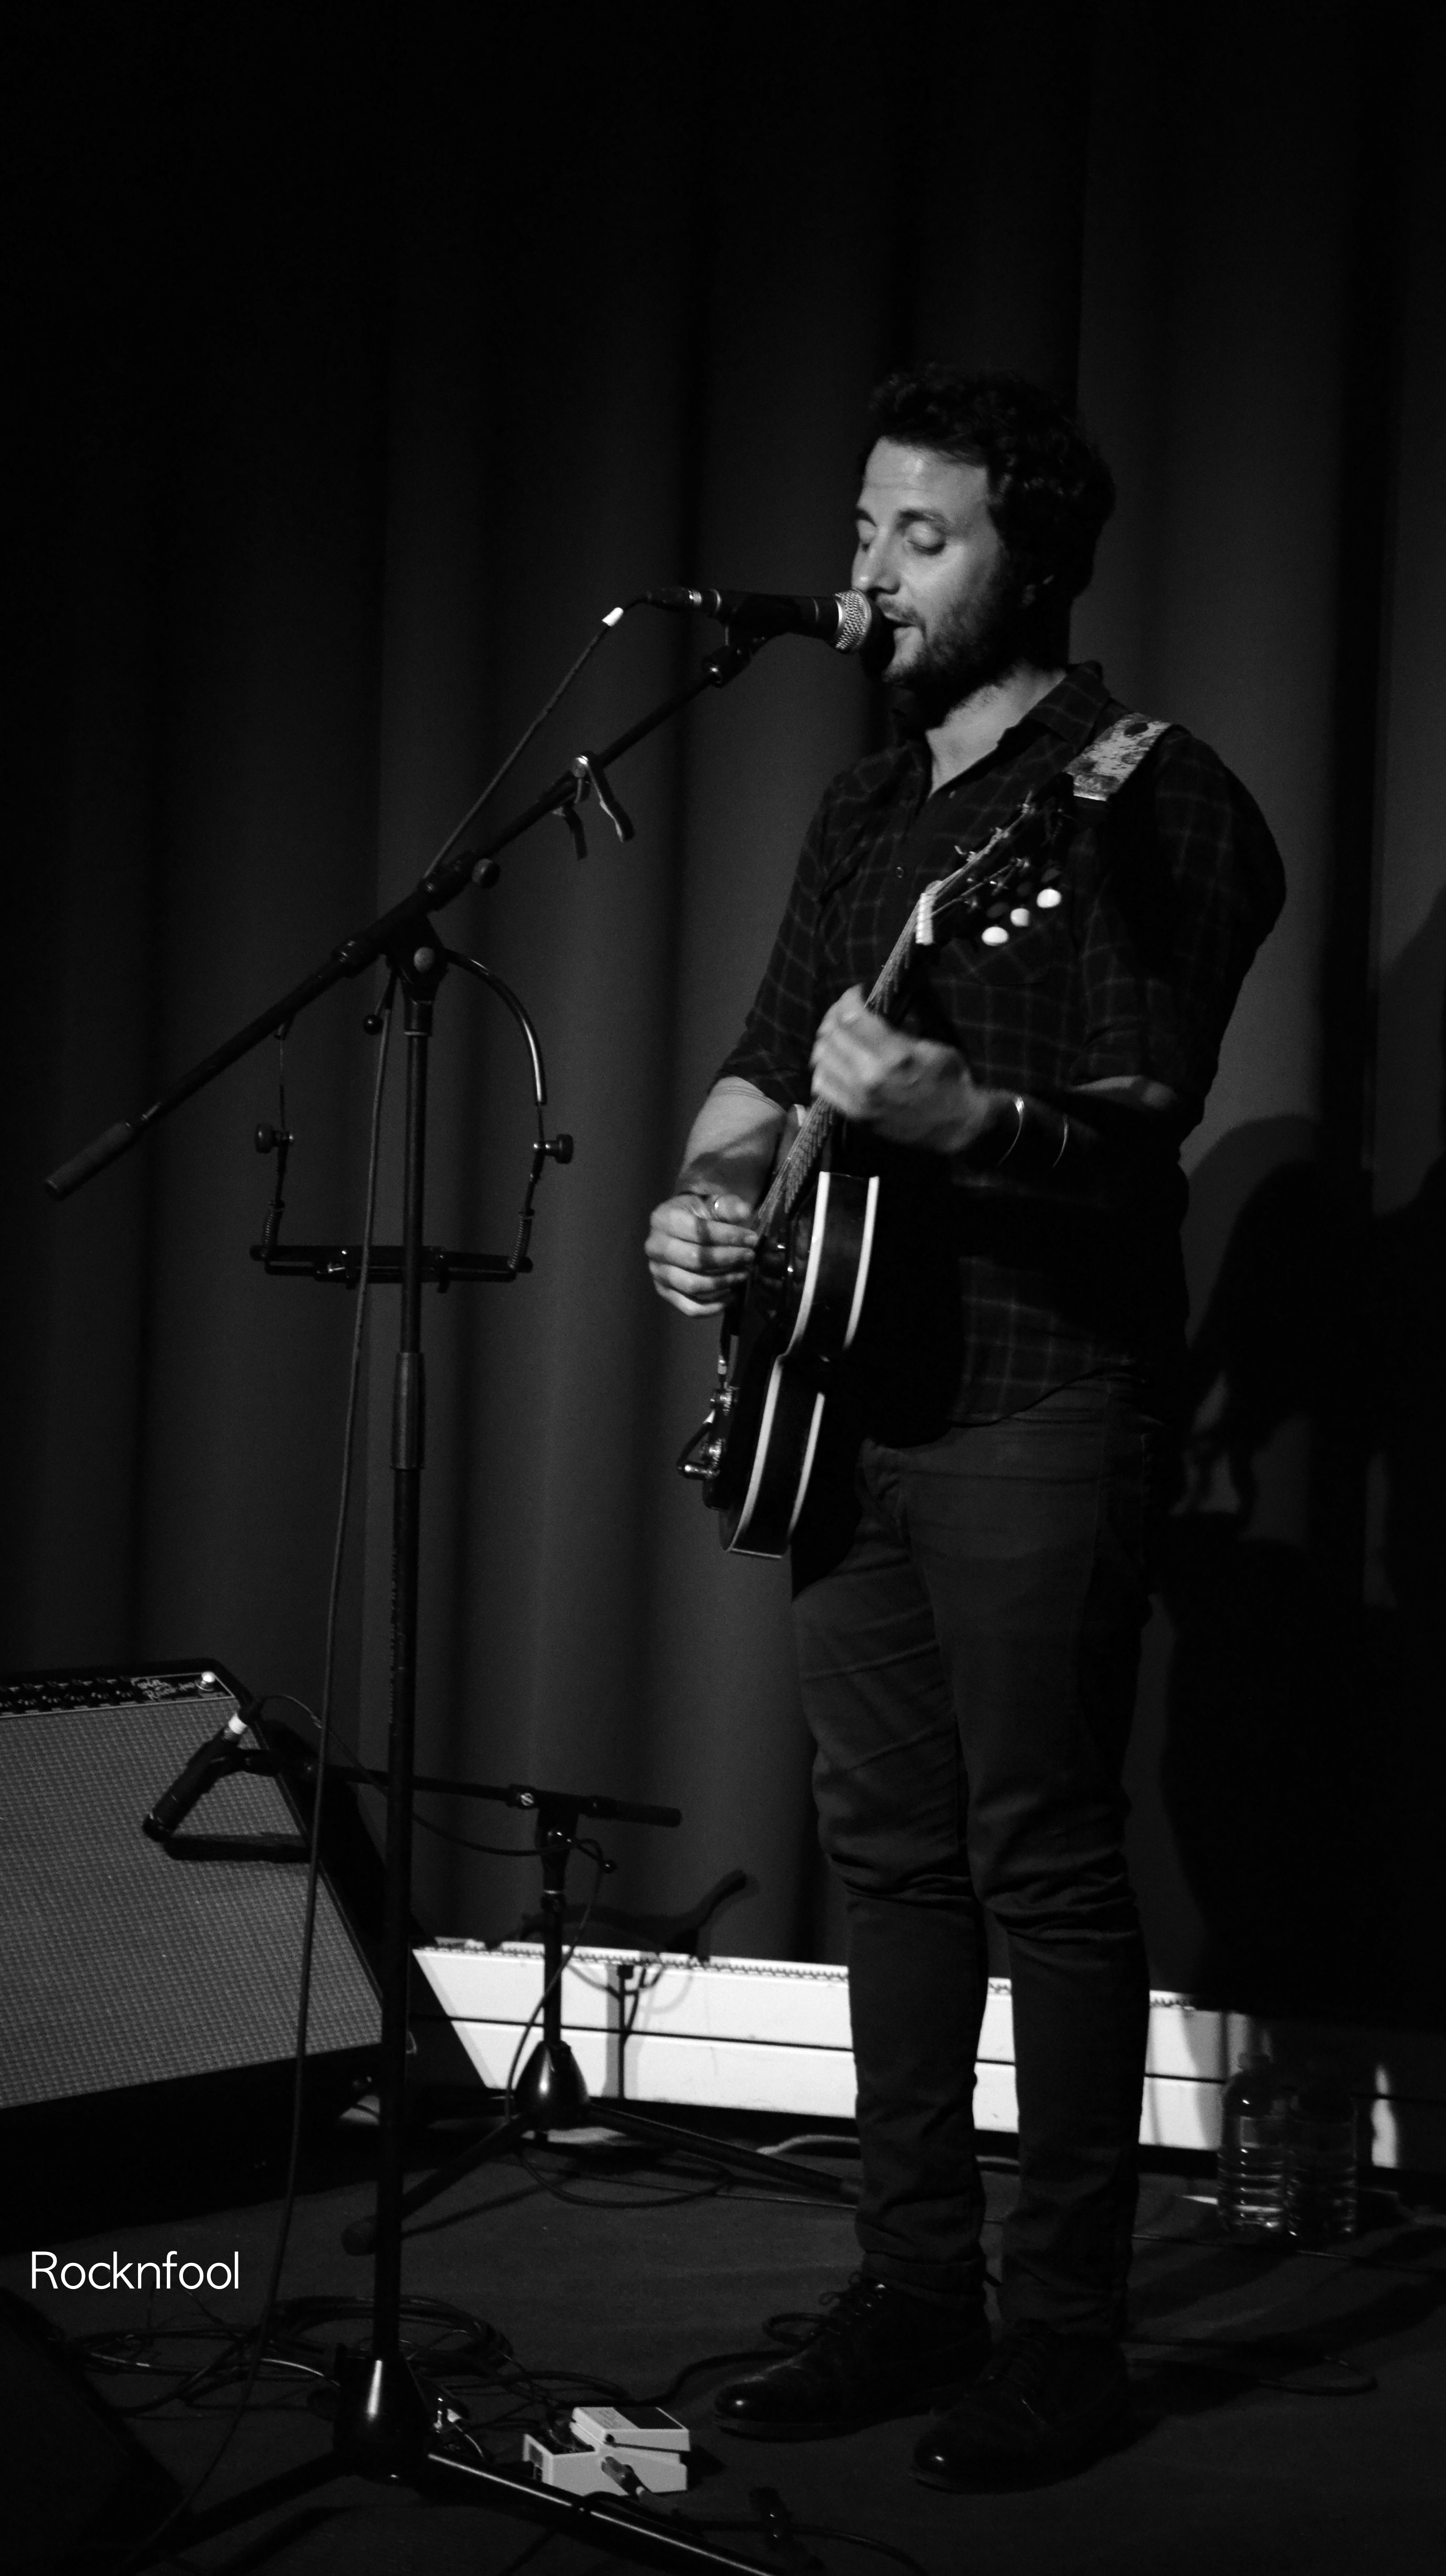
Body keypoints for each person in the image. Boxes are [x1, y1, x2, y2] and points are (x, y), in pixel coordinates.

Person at [644, 365, 1285, 2490]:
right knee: (891, 1863)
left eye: (924, 538)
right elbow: (759, 1069)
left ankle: (1066, 2334)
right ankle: (913, 2285)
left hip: (1042, 1396)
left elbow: (1142, 1123)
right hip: (845, 1398)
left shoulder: (1146, 794)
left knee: (1044, 1863)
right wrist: (706, 1202)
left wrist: (967, 1118)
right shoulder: (863, 807)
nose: (874, 574)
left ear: (1036, 563)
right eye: (867, 533)